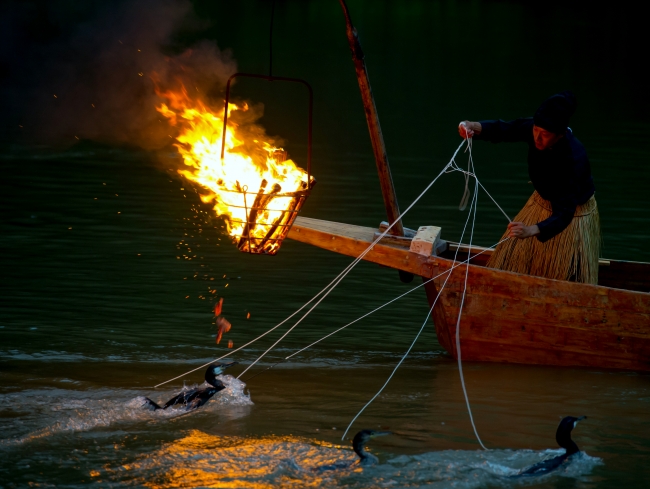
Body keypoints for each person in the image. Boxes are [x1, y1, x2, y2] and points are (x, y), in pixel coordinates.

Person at [459, 91, 600, 284]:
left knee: (564, 276)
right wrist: (473, 127)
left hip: (573, 216)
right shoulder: (536, 128)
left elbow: (565, 212)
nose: (537, 138)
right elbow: (506, 129)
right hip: (540, 203)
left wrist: (531, 230)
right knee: (511, 261)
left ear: (559, 135)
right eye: (535, 130)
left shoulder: (573, 159)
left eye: (545, 135)